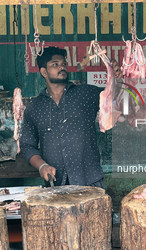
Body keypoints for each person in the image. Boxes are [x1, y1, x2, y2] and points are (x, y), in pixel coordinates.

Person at [20, 46, 105, 188]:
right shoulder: (35, 107)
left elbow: (115, 100)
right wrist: (42, 166)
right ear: (43, 72)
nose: (62, 67)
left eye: (64, 64)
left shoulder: (86, 94)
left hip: (90, 181)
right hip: (56, 183)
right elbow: (28, 145)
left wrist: (118, 78)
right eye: (55, 65)